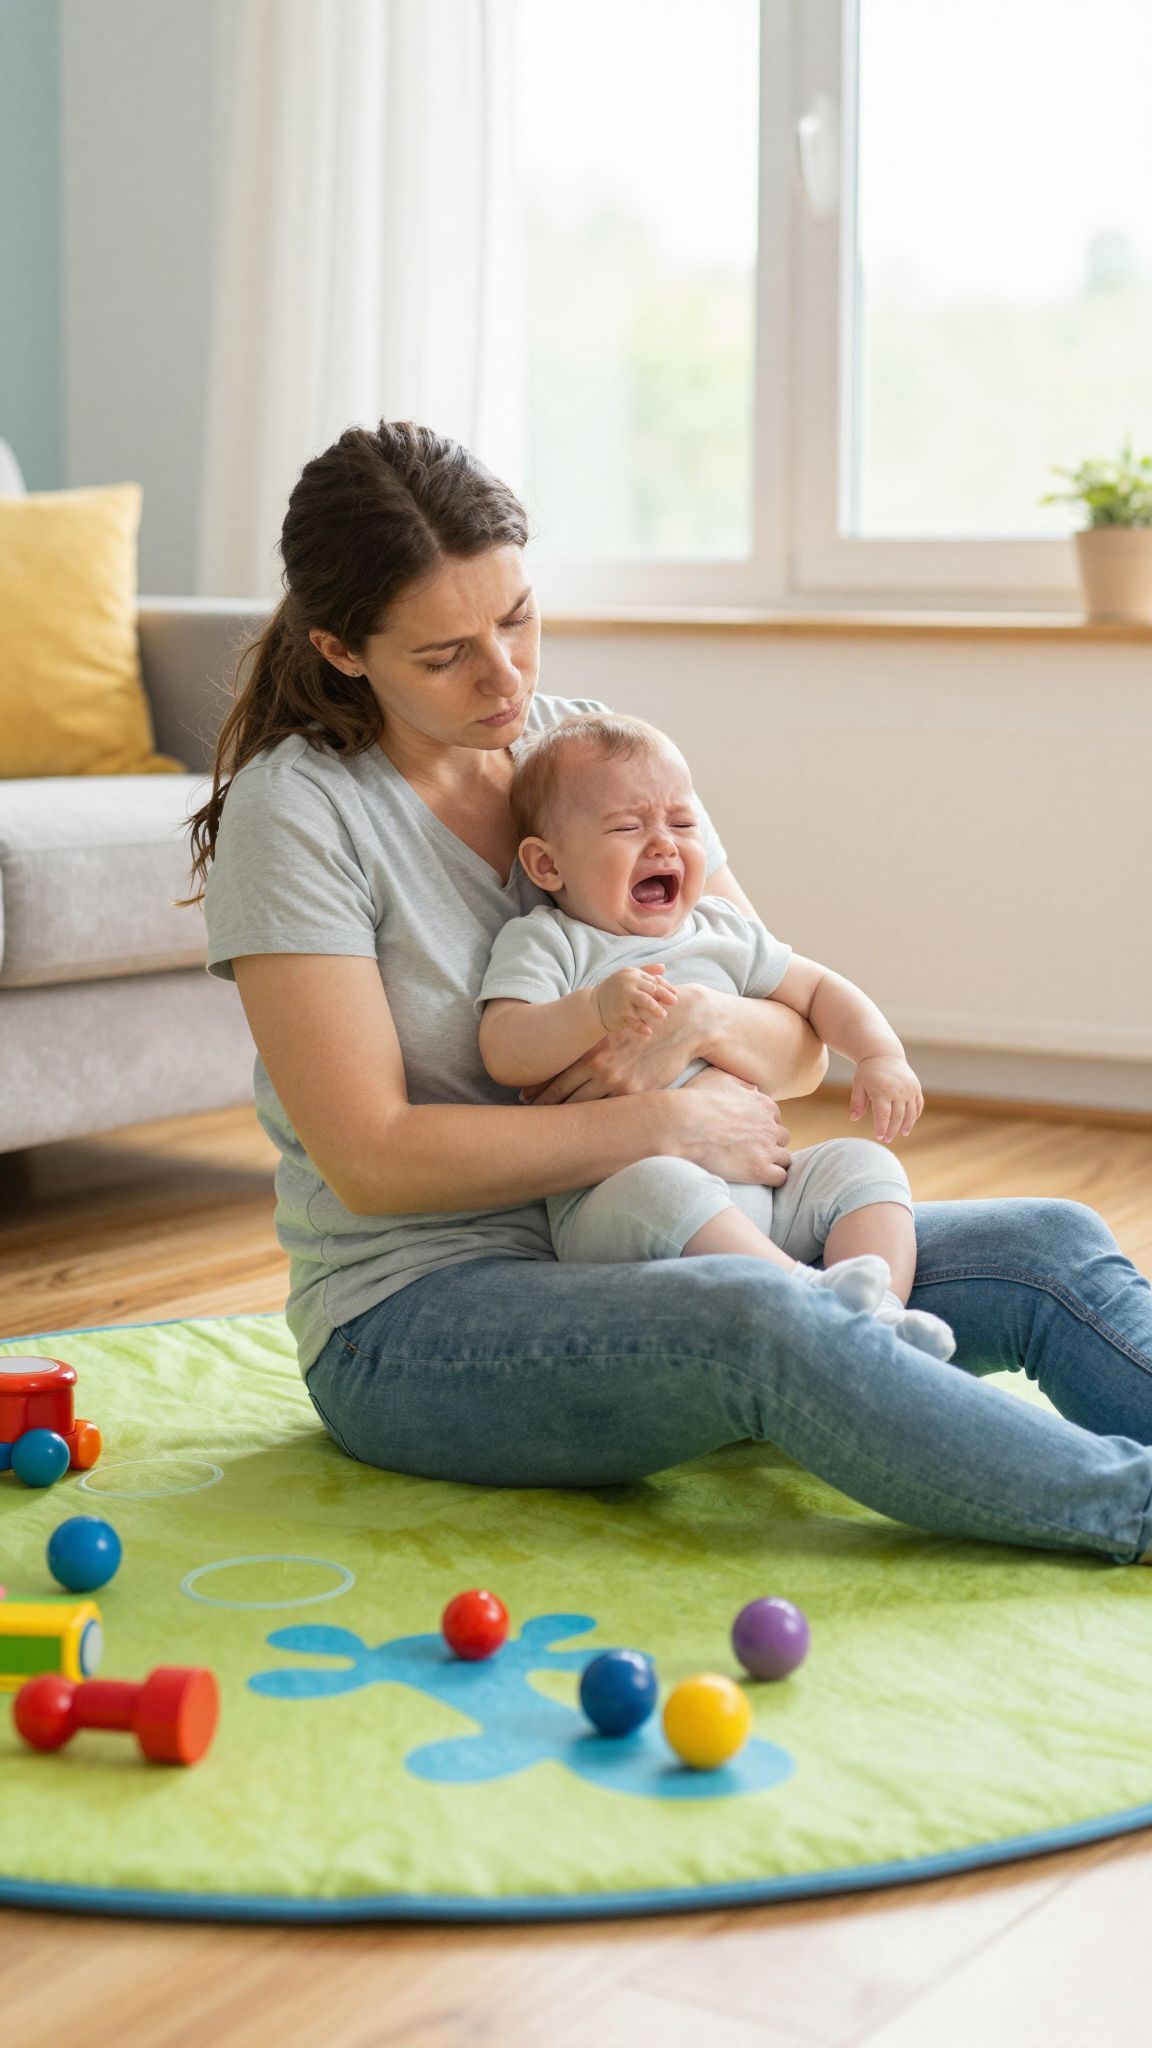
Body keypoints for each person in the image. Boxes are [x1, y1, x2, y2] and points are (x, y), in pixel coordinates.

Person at [187, 418, 1152, 1568]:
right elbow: (373, 1155)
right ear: (346, 650)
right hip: (420, 1316)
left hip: (680, 1236)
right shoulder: (298, 812)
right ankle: (1129, 1509)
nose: (505, 675)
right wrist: (658, 1118)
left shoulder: (590, 760)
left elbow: (793, 1044)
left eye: (517, 618)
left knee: (1048, 1241)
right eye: (446, 655)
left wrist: (697, 1021)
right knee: (768, 1321)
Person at [476, 708, 956, 1359]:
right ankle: (814, 1302)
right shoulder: (548, 943)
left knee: (864, 1164)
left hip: (760, 1186)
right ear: (548, 864)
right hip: (624, 1207)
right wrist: (591, 1010)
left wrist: (879, 1053)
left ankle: (881, 1319)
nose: (664, 844)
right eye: (626, 827)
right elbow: (504, 1049)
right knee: (661, 1186)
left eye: (681, 823)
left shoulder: (721, 929)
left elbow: (817, 990)